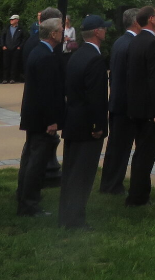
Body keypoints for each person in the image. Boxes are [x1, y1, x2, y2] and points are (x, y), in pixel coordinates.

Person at [60, 15, 109, 229]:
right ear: (97, 32)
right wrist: (97, 126)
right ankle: (74, 219)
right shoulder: (95, 59)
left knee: (72, 172)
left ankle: (67, 214)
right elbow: (96, 97)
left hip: (74, 121)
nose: (106, 31)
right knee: (82, 174)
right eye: (104, 29)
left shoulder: (76, 55)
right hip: (88, 125)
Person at [17, 16, 65, 217]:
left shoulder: (39, 51)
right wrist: (51, 120)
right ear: (53, 34)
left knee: (30, 159)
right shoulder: (45, 56)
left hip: (33, 116)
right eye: (61, 30)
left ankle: (25, 198)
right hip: (41, 119)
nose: (63, 32)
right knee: (36, 162)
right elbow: (46, 93)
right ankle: (29, 204)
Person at [125, 5, 155, 206]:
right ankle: (139, 196)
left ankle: (138, 192)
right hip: (150, 110)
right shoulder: (152, 44)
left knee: (140, 152)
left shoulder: (135, 42)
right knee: (146, 154)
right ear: (151, 19)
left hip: (135, 106)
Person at [99, 8, 139, 195]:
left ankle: (110, 183)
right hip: (126, 105)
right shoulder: (132, 44)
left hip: (117, 101)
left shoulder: (120, 42)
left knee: (116, 148)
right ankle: (112, 185)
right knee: (120, 149)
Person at [0, 14, 27, 84]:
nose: (11, 21)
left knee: (14, 64)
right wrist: (3, 45)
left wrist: (20, 47)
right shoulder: (6, 28)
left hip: (16, 49)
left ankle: (12, 78)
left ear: (17, 20)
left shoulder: (21, 29)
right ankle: (5, 78)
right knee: (6, 64)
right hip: (7, 48)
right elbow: (2, 37)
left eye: (12, 19)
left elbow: (23, 39)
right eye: (11, 20)